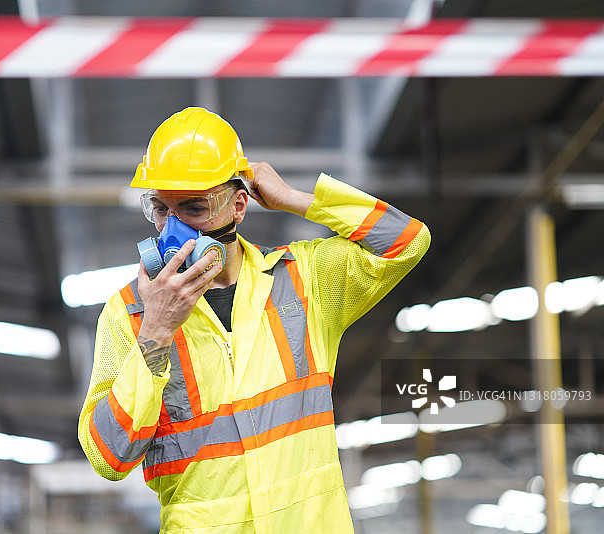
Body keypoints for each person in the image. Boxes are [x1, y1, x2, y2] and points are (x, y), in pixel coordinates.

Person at [78, 107, 430, 533]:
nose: (172, 230)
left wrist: (299, 201)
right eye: (160, 210)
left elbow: (406, 242)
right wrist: (156, 331)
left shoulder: (305, 282)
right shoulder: (129, 313)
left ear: (238, 205)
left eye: (194, 208)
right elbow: (108, 457)